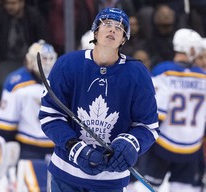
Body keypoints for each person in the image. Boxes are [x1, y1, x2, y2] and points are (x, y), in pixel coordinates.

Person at [38, 7, 159, 192]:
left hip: (110, 182)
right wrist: (73, 146)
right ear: (95, 31)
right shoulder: (68, 64)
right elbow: (50, 116)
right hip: (65, 175)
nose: (112, 29)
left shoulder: (138, 74)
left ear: (124, 39)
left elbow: (147, 126)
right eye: (107, 24)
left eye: (119, 28)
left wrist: (130, 144)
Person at [132, 28, 206, 192]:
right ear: (191, 50)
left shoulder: (163, 71)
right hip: (192, 148)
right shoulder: (203, 77)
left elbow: (156, 114)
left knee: (145, 188)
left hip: (162, 146)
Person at [0, 40, 57, 160]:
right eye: (43, 58)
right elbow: (5, 127)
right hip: (28, 150)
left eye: (50, 58)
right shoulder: (16, 83)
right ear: (30, 60)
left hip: (58, 150)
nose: (48, 63)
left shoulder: (62, 80)